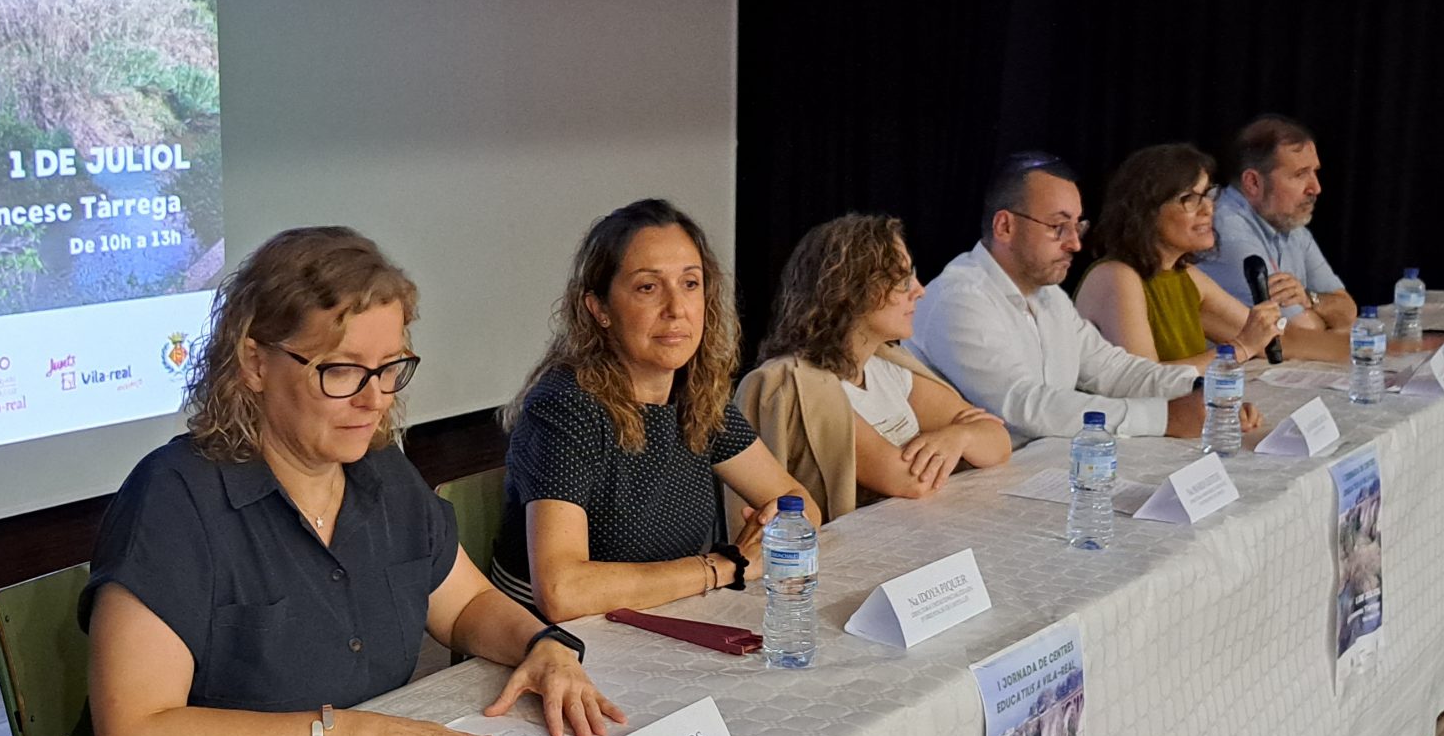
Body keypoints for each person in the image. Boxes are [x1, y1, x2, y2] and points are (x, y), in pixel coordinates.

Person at [35, 226, 625, 736]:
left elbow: (465, 606)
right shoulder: (174, 500)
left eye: (391, 369)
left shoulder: (378, 472)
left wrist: (544, 647)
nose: (375, 400)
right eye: (341, 371)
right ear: (254, 362)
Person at [495, 199, 813, 621]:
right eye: (648, 287)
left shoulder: (695, 393)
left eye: (690, 284)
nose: (677, 308)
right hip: (555, 648)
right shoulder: (564, 408)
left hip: (658, 622)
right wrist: (725, 566)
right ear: (600, 309)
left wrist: (774, 526)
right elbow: (562, 592)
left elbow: (800, 504)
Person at [910, 152, 1219, 444]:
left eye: (1077, 226)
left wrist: (1200, 390)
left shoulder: (1049, 296)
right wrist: (1165, 418)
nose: (1074, 244)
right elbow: (1025, 407)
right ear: (1005, 226)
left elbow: (1112, 370)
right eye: (1058, 227)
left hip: (1040, 469)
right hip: (972, 485)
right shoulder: (959, 299)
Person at [741, 212, 1010, 517]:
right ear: (851, 290)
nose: (920, 290)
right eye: (902, 279)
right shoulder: (802, 383)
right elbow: (911, 481)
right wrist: (956, 438)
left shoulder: (888, 366)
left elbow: (999, 442)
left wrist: (958, 436)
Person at [1075, 143, 1341, 368]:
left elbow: (1282, 340)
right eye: (1190, 198)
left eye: (1208, 194)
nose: (1208, 208)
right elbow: (1145, 379)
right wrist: (1241, 347)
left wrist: (1376, 348)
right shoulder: (1116, 276)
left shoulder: (1185, 276)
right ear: (1147, 211)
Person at [1193, 115, 1357, 331]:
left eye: (1314, 172)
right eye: (1300, 174)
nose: (1316, 188)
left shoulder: (1291, 224)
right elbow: (1299, 331)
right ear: (1253, 182)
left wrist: (1309, 299)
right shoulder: (1225, 227)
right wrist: (1321, 315)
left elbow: (1348, 311)